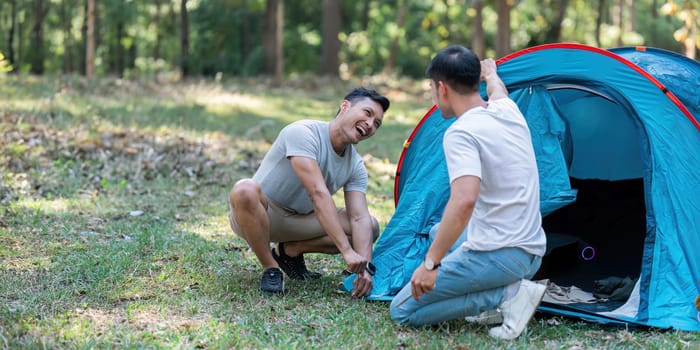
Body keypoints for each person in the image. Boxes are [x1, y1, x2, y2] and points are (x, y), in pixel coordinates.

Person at [389, 45, 547, 340]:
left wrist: (430, 265)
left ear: (441, 88)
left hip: (502, 255)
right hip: (532, 249)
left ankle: (506, 295)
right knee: (438, 232)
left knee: (402, 310)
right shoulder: (507, 110)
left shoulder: (462, 132)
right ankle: (502, 291)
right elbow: (498, 91)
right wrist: (492, 75)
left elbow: (464, 201)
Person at [228, 87, 390, 297]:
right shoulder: (303, 132)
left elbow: (359, 218)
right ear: (344, 106)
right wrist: (347, 251)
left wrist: (365, 269)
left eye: (376, 123)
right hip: (261, 214)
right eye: (367, 113)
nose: (370, 124)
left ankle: (289, 251)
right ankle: (271, 268)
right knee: (244, 189)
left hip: (301, 221)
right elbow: (317, 193)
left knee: (370, 225)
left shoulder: (355, 165)